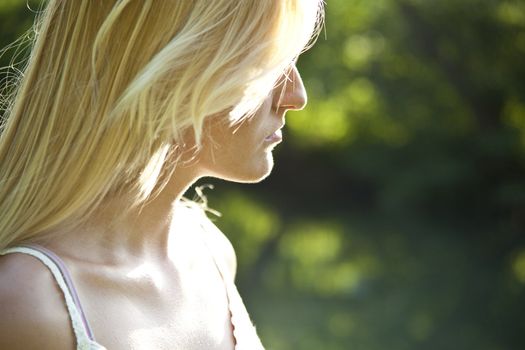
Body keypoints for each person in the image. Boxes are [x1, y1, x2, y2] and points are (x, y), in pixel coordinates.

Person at [0, 1, 323, 349]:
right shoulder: (27, 303)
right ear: (166, 64)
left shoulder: (209, 249)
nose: (296, 96)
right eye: (267, 64)